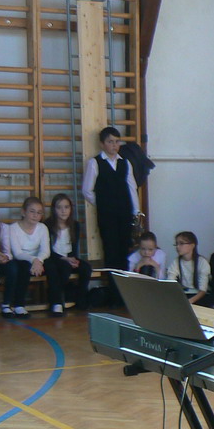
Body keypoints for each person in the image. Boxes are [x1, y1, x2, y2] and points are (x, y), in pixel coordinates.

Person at [82, 126, 139, 301]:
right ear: (102, 144)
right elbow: (87, 190)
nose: (114, 145)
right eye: (110, 142)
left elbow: (132, 188)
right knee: (111, 252)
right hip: (107, 217)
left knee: (124, 252)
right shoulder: (95, 163)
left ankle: (124, 295)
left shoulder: (125, 163)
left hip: (125, 215)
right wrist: (103, 204)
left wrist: (136, 211)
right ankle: (114, 294)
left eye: (116, 141)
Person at [44, 193, 91, 315]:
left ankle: (81, 299)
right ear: (54, 209)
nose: (63, 211)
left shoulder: (75, 225)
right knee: (63, 268)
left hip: (69, 258)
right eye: (59, 207)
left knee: (86, 268)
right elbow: (48, 250)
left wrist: (73, 260)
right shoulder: (47, 225)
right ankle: (56, 301)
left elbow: (74, 247)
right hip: (53, 258)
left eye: (66, 207)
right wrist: (65, 259)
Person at [4, 197, 49, 317]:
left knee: (53, 266)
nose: (35, 215)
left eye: (39, 212)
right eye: (32, 211)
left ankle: (56, 303)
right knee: (24, 267)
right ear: (23, 212)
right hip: (21, 260)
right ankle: (18, 304)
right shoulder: (13, 228)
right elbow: (17, 253)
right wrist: (34, 260)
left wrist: (38, 260)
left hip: (38, 261)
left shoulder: (43, 228)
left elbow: (46, 251)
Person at [166, 231, 211, 305]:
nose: (177, 247)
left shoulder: (202, 262)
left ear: (192, 245)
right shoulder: (176, 262)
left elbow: (203, 290)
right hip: (184, 294)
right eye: (176, 244)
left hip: (199, 296)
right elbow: (170, 281)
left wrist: (189, 301)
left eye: (181, 243)